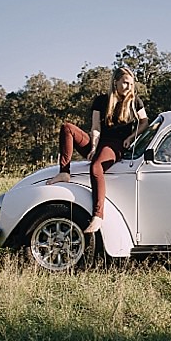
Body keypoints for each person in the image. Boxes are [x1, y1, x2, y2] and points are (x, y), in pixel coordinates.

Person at [46, 67, 149, 234]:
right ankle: (64, 172)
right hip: (100, 142)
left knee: (96, 168)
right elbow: (95, 127)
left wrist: (131, 138)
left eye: (131, 84)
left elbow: (144, 122)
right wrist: (93, 147)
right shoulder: (101, 101)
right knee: (67, 128)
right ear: (115, 82)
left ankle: (98, 215)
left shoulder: (134, 101)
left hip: (115, 145)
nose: (129, 87)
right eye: (125, 83)